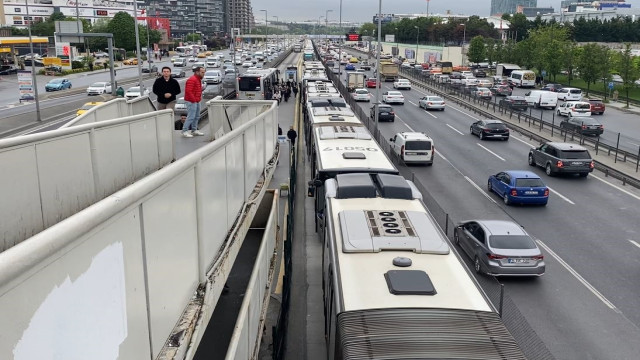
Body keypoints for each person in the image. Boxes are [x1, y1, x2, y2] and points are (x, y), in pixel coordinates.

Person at [182, 66, 205, 138]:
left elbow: (196, 90)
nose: (203, 74)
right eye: (202, 72)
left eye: (204, 72)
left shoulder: (198, 79)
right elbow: (188, 91)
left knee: (197, 116)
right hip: (191, 101)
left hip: (196, 100)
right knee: (191, 116)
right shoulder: (192, 79)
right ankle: (184, 131)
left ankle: (194, 130)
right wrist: (194, 100)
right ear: (197, 72)